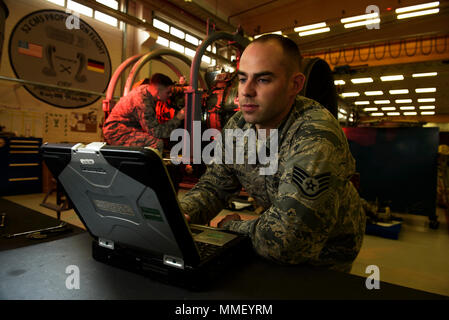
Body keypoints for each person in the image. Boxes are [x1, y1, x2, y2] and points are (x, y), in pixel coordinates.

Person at [180, 34, 365, 272]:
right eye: (242, 78)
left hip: (325, 255)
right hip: (271, 238)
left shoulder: (316, 135)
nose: (246, 91)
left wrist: (235, 228)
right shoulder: (239, 125)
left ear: (295, 85)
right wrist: (183, 213)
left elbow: (288, 242)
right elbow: (215, 185)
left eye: (263, 80)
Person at [103, 73, 185, 153]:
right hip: (116, 132)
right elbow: (157, 133)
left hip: (127, 128)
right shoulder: (143, 102)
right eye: (168, 92)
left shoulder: (147, 89)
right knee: (156, 143)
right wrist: (178, 117)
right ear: (157, 91)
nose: (170, 95)